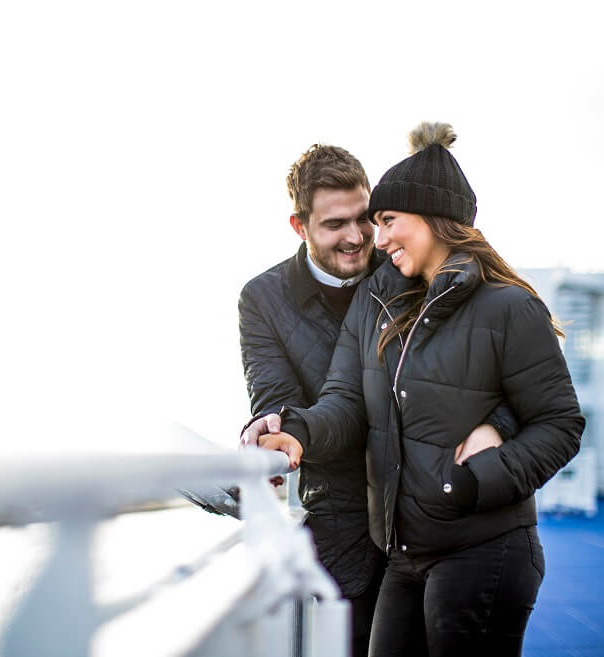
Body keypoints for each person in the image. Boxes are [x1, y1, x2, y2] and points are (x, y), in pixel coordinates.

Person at [247, 123, 584, 657]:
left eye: (382, 220)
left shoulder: (508, 306)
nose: (372, 240)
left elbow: (558, 421)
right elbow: (347, 398)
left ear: (430, 219)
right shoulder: (380, 302)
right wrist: (293, 429)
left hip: (477, 544)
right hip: (396, 546)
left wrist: (476, 477)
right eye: (354, 223)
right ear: (301, 225)